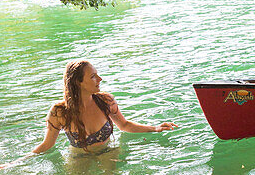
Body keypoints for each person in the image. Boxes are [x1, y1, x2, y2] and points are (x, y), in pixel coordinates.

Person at [32, 59, 176, 156]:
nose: (100, 79)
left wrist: (155, 128)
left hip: (109, 153)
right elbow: (47, 145)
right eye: (93, 76)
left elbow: (124, 125)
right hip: (79, 158)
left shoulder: (106, 101)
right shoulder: (60, 112)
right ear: (78, 82)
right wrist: (19, 162)